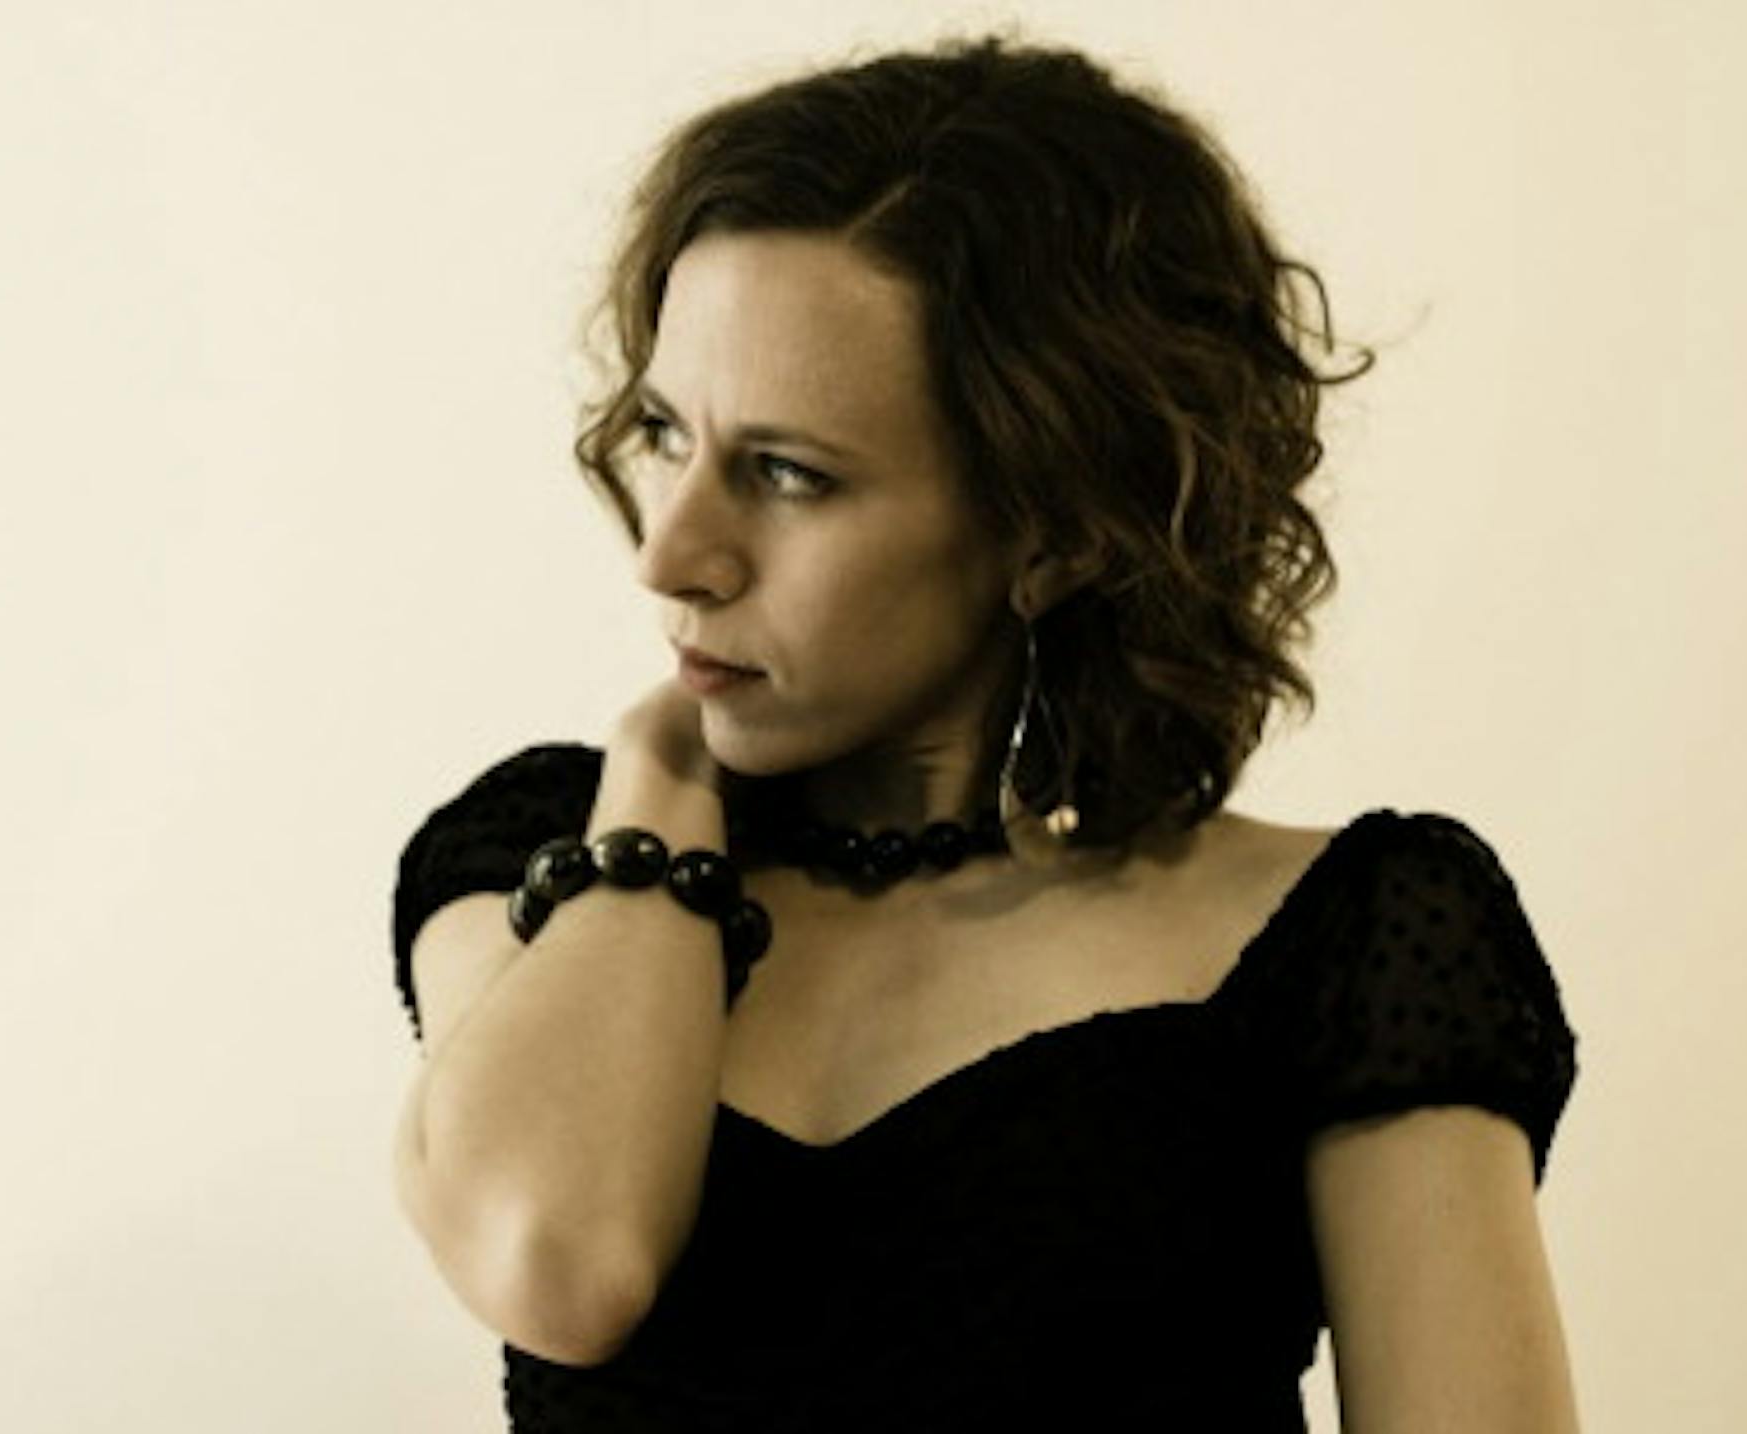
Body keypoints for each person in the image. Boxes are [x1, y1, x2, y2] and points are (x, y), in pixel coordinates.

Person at [387, 33, 1580, 1434]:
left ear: (1057, 532)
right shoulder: (541, 857)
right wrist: (656, 784)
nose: (672, 552)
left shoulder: (1352, 939)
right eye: (664, 432)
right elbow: (559, 1262)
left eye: (787, 472)